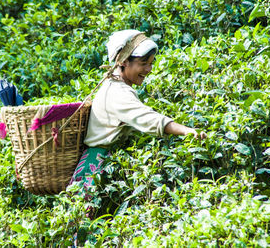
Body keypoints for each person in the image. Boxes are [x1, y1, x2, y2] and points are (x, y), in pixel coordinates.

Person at [69, 29, 207, 198]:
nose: (149, 69)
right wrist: (185, 130)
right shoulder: (117, 93)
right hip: (96, 170)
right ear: (124, 61)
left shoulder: (117, 86)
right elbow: (148, 118)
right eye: (143, 63)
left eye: (151, 63)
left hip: (101, 165)